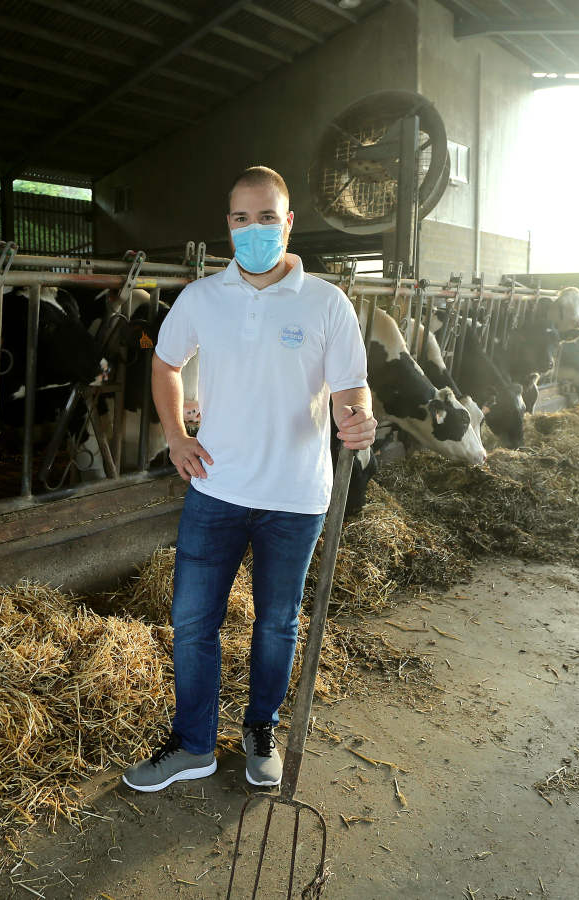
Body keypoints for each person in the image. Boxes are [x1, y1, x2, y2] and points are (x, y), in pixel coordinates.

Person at [122, 166, 376, 793]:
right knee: (192, 622)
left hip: (295, 497)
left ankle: (260, 728)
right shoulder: (203, 298)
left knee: (276, 623)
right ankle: (193, 745)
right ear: (227, 227)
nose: (254, 228)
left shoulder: (327, 303)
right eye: (241, 218)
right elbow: (164, 365)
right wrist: (177, 437)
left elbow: (351, 387)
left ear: (289, 224)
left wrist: (358, 417)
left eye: (267, 217)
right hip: (216, 490)